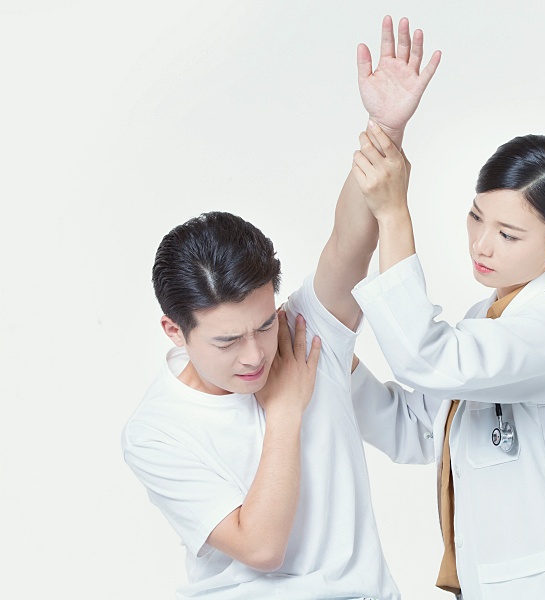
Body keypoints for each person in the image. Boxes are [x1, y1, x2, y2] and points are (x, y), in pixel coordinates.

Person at [121, 16, 440, 599]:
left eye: (263, 325)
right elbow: (262, 547)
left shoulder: (301, 334)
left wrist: (385, 128)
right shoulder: (157, 431)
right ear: (174, 330)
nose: (255, 355)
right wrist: (285, 411)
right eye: (226, 340)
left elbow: (348, 245)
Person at [348, 125, 545, 599]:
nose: (482, 244)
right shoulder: (485, 320)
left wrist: (393, 215)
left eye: (508, 234)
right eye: (476, 218)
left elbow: (426, 358)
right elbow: (416, 429)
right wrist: (338, 362)